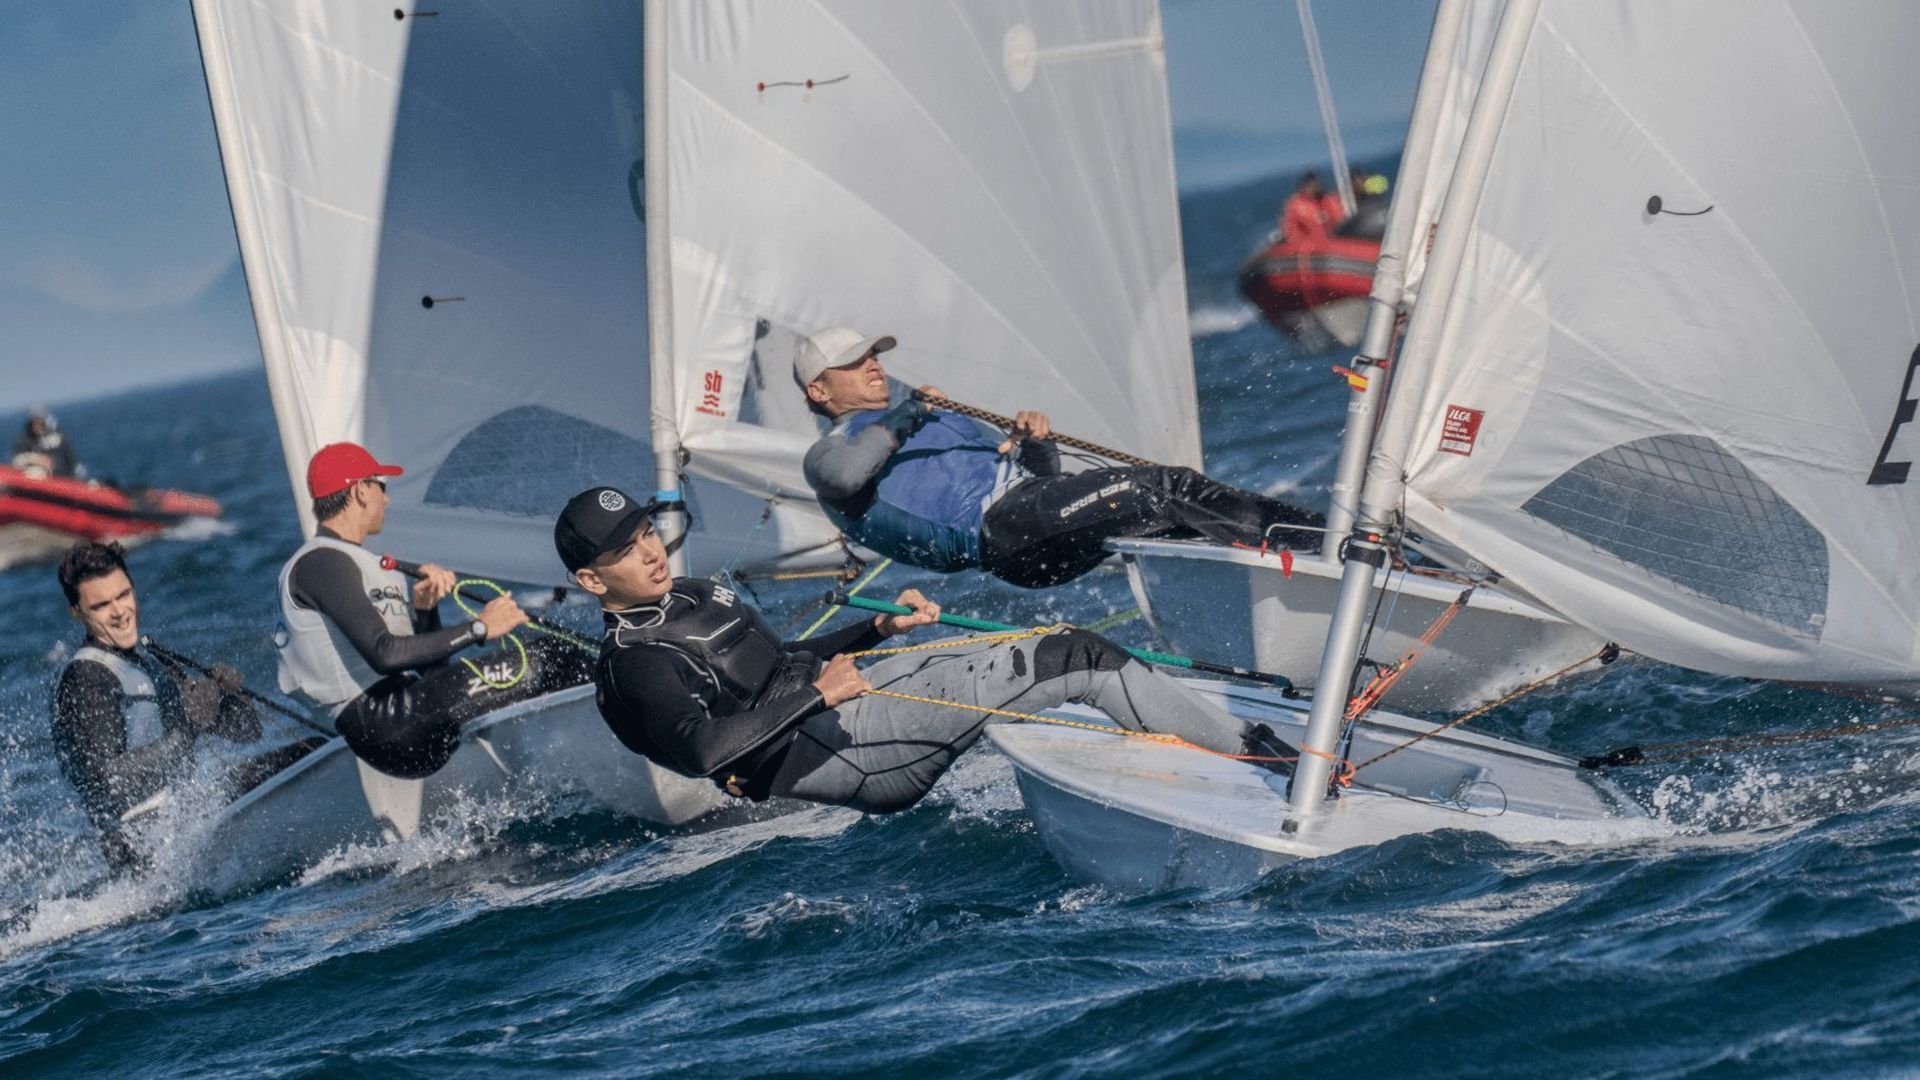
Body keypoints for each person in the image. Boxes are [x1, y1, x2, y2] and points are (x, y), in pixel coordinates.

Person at [555, 488, 1294, 813]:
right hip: (850, 759)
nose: (647, 551)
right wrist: (819, 695)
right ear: (590, 580)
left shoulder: (688, 594)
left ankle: (1205, 749)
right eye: (624, 551)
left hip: (848, 707)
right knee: (1075, 657)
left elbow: (778, 662)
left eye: (647, 532)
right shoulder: (635, 662)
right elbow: (700, 753)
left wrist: (871, 632)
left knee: (1051, 645)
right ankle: (1266, 761)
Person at [795, 328, 1324, 588]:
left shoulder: (936, 418)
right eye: (853, 362)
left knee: (1171, 522)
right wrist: (911, 411)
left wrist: (1036, 445)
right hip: (999, 534)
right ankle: (1329, 548)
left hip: (1030, 521)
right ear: (819, 391)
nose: (873, 365)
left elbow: (1040, 480)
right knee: (1168, 487)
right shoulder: (830, 452)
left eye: (873, 356)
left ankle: (1291, 589)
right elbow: (845, 477)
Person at [275, 442, 591, 779]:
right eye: (381, 487)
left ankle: (554, 758)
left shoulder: (358, 563)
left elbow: (432, 673)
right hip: (387, 723)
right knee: (553, 658)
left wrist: (426, 610)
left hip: (406, 716)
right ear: (361, 491)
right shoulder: (321, 562)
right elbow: (386, 655)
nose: (386, 499)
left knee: (550, 657)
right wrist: (479, 628)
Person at [51, 541, 262, 872]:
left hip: (181, 819)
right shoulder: (87, 679)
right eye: (102, 605)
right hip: (143, 848)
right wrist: (189, 728)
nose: (120, 612)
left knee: (303, 753)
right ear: (76, 612)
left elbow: (249, 733)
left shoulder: (150, 663)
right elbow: (110, 780)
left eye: (123, 595)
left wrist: (226, 698)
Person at [11, 406, 81, 479]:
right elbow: (18, 461)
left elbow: (71, 458)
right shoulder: (25, 441)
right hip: (39, 478)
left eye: (41, 423)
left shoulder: (58, 438)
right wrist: (37, 459)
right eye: (35, 423)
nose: (38, 426)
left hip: (63, 479)